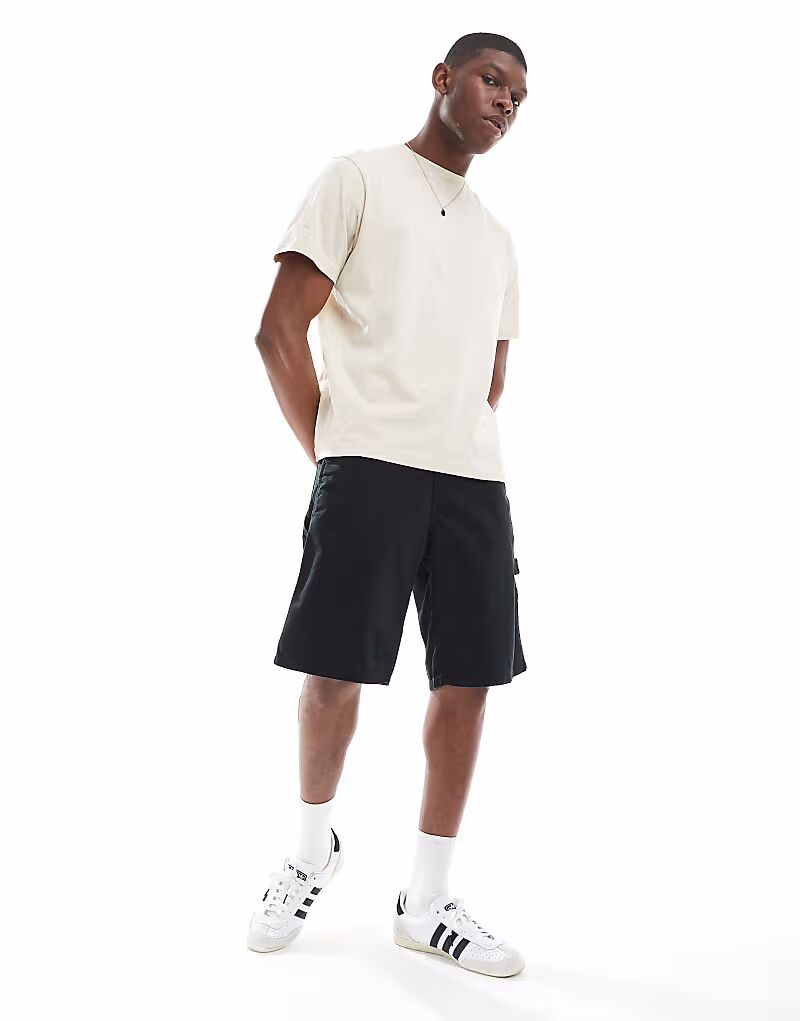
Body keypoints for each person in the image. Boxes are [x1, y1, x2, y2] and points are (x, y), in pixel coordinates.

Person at [248, 32, 529, 978]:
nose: (506, 102)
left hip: (472, 480)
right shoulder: (359, 179)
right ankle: (309, 851)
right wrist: (336, 455)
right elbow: (277, 330)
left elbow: (490, 376)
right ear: (444, 78)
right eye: (492, 80)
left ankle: (428, 897)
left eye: (519, 96)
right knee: (333, 675)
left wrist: (447, 437)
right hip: (368, 466)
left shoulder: (498, 239)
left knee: (469, 679)